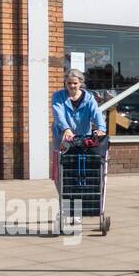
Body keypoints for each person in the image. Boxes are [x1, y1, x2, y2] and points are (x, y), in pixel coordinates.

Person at [52, 69, 107, 211]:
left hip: (82, 141)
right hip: (62, 140)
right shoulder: (58, 96)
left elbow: (96, 114)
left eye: (75, 83)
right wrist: (66, 129)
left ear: (80, 83)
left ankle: (78, 206)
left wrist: (101, 129)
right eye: (69, 83)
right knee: (61, 174)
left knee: (81, 172)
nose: (72, 86)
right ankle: (66, 205)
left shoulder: (89, 99)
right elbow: (58, 114)